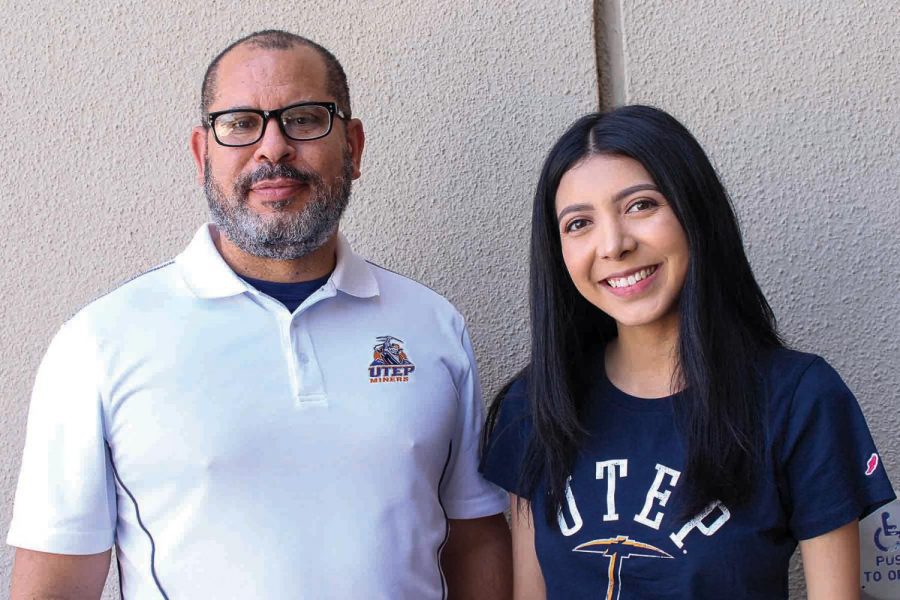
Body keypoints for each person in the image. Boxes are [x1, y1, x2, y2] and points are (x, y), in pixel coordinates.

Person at [7, 30, 511, 599]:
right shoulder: (98, 343)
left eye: (302, 118)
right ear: (203, 154)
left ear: (354, 146)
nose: (273, 148)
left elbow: (475, 538)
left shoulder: (433, 325)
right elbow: (55, 581)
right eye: (241, 123)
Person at [480, 105, 895, 599]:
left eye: (641, 205)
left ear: (694, 210)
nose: (613, 245)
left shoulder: (798, 399)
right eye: (579, 224)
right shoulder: (536, 404)